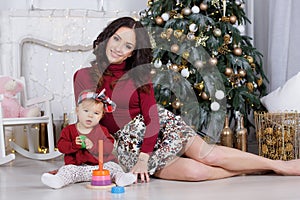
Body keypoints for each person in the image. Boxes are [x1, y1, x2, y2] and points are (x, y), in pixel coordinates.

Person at [73, 16, 300, 183]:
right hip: (126, 146)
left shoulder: (139, 75)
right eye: (116, 39)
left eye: (128, 45)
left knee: (211, 156)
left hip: (158, 129)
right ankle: (251, 169)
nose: (118, 48)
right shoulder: (83, 77)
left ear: (133, 52)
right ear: (107, 37)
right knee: (196, 172)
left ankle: (279, 166)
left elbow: (151, 118)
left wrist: (144, 158)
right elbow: (87, 122)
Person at [41, 89, 136, 189]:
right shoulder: (68, 130)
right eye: (86, 111)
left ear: (101, 116)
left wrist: (93, 146)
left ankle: (121, 178)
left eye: (96, 113)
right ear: (77, 111)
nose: (90, 115)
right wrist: (73, 144)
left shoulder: (102, 130)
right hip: (78, 168)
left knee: (114, 167)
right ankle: (58, 181)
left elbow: (108, 147)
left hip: (100, 168)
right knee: (66, 170)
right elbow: (61, 147)